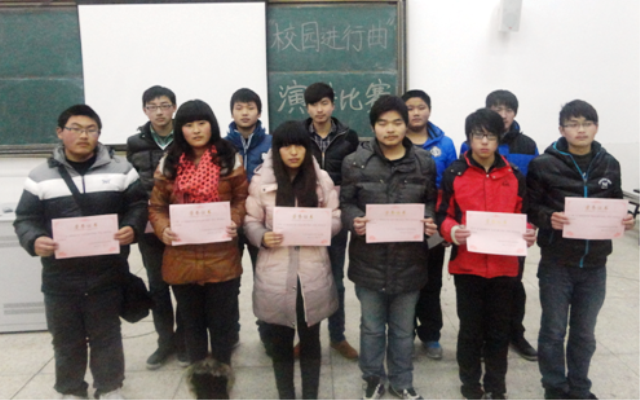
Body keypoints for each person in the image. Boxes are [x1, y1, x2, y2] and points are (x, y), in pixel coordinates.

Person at [14, 104, 147, 400]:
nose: (84, 135)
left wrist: (132, 227)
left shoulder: (121, 170)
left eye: (91, 130)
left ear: (99, 134)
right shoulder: (40, 176)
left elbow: (138, 206)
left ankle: (109, 387)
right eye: (75, 129)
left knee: (107, 335)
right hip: (60, 277)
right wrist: (34, 240)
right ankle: (71, 390)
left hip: (107, 272)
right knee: (66, 339)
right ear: (60, 132)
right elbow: (25, 219)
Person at [527, 100, 635, 400]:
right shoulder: (543, 164)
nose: (581, 130)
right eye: (573, 124)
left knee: (584, 334)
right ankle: (554, 386)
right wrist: (549, 217)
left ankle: (579, 387)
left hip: (595, 264)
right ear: (561, 129)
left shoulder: (609, 163)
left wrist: (626, 219)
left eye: (587, 123)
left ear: (596, 127)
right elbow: (530, 207)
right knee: (553, 331)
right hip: (557, 262)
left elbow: (616, 201)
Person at [148, 100, 248, 399]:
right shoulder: (169, 162)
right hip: (182, 259)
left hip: (221, 258)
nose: (195, 130)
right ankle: (200, 388)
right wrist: (163, 229)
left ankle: (221, 387)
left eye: (201, 123)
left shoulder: (229, 159)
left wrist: (234, 220)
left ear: (211, 125)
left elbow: (241, 199)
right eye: (188, 124)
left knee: (221, 328)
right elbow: (156, 206)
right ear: (180, 129)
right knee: (191, 327)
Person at [341, 95, 437, 400]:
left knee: (403, 329)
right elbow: (346, 204)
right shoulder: (354, 162)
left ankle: (402, 380)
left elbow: (431, 202)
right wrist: (354, 221)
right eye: (383, 123)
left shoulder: (424, 161)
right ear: (373, 127)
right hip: (369, 261)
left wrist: (430, 221)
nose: (390, 129)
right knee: (371, 328)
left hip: (410, 261)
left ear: (406, 125)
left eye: (397, 122)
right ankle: (373, 378)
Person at [439, 108, 536, 400]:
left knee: (498, 332)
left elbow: (524, 215)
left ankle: (497, 387)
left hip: (505, 268)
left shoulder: (514, 175)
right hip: (467, 267)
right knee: (470, 331)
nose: (484, 142)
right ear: (468, 138)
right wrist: (452, 230)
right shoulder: (455, 173)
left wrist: (528, 232)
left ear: (499, 139)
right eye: (478, 135)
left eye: (490, 136)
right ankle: (470, 385)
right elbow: (443, 213)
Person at [244, 120, 340, 400]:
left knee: (311, 340)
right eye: (286, 146)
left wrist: (323, 229)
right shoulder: (261, 181)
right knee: (280, 341)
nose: (294, 152)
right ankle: (286, 394)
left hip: (313, 271)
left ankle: (310, 395)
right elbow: (250, 220)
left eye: (299, 145)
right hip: (275, 272)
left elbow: (336, 216)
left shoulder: (321, 179)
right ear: (277, 149)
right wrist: (262, 236)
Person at [460, 90, 539, 361]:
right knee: (480, 291)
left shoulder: (528, 146)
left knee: (513, 287)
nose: (503, 114)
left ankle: (515, 334)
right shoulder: (468, 145)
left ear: (515, 113)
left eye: (508, 109)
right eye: (496, 109)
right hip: (478, 234)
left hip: (511, 235)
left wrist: (530, 225)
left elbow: (533, 191)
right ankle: (484, 339)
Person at [127, 85, 187, 370]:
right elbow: (132, 184)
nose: (159, 112)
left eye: (164, 105)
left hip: (185, 223)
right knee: (158, 285)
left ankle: (185, 340)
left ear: (174, 107)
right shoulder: (135, 142)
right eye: (153, 107)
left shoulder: (187, 136)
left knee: (185, 283)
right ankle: (165, 341)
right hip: (150, 225)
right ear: (145, 110)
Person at [302, 82, 360, 360]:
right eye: (314, 104)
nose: (319, 109)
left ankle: (337, 337)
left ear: (333, 105)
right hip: (304, 218)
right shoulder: (299, 135)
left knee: (336, 279)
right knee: (306, 280)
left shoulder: (349, 137)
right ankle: (307, 338)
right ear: (307, 108)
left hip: (336, 216)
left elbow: (355, 176)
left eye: (324, 103)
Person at [402, 89, 457, 360]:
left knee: (431, 279)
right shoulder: (394, 139)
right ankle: (403, 333)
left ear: (429, 110)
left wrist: (445, 226)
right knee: (404, 280)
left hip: (433, 224)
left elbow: (452, 187)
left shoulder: (445, 144)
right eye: (410, 108)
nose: (416, 112)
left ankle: (431, 335)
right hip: (401, 223)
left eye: (421, 107)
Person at [224, 88, 271, 350]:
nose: (245, 113)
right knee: (229, 283)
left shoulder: (272, 144)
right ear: (232, 112)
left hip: (260, 222)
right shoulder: (220, 146)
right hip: (228, 222)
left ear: (259, 112)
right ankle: (230, 334)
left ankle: (267, 334)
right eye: (239, 108)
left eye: (250, 107)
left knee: (264, 280)